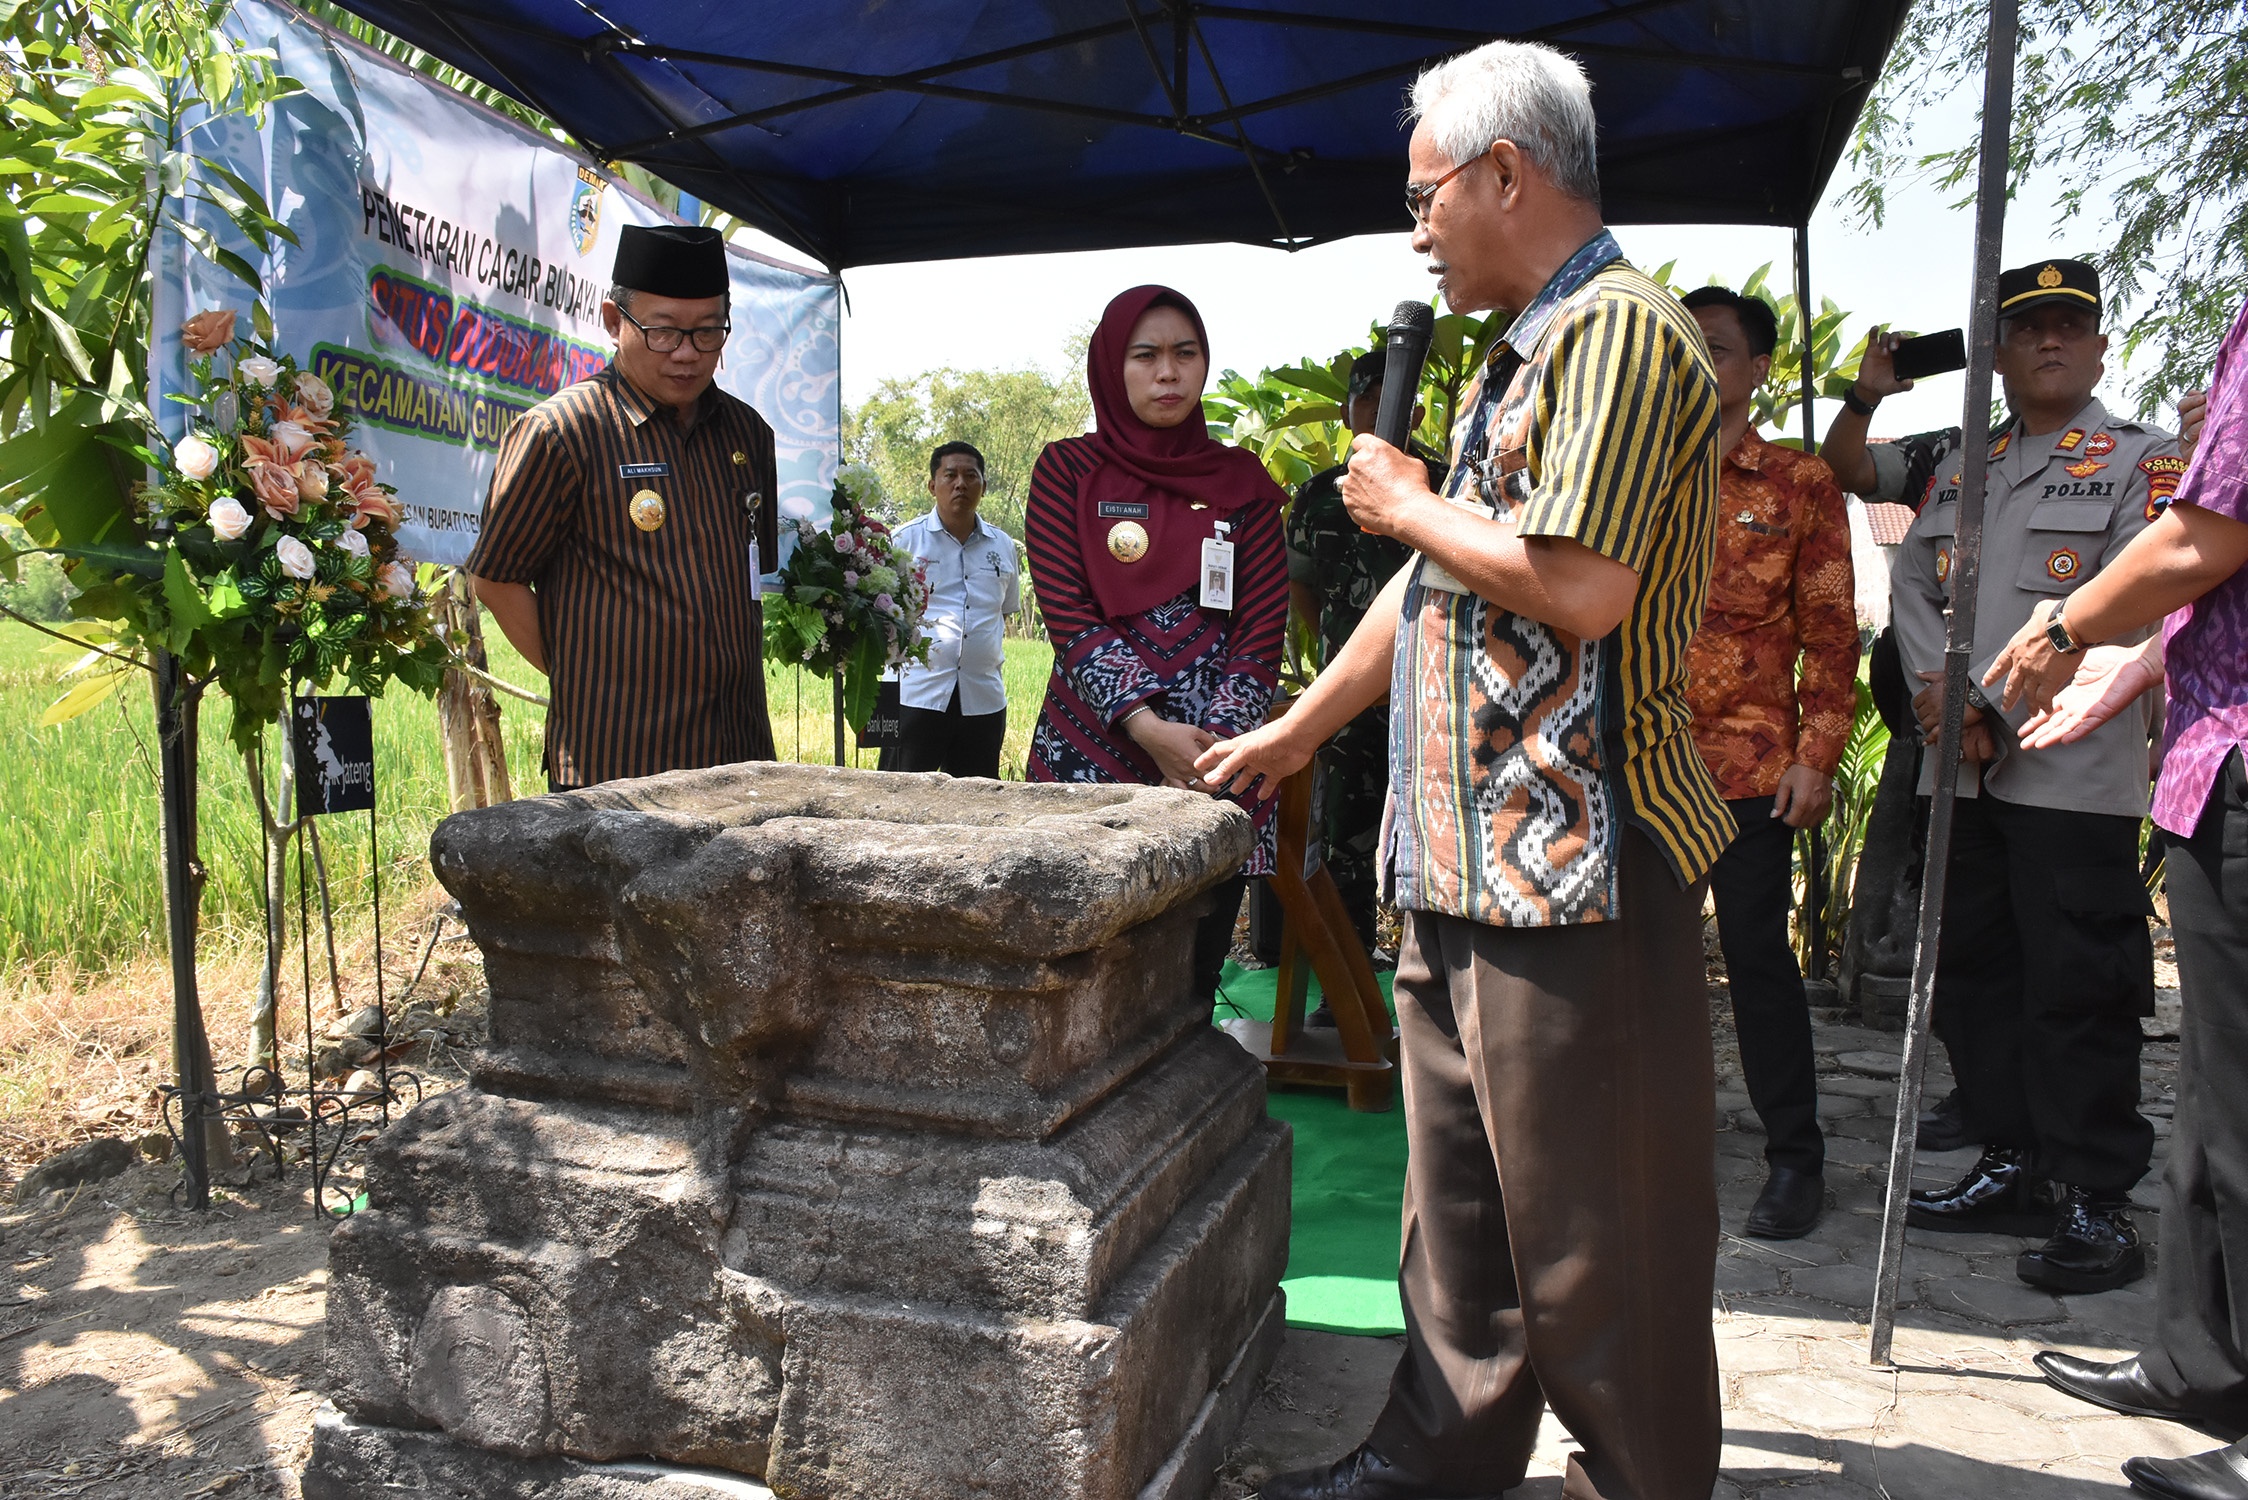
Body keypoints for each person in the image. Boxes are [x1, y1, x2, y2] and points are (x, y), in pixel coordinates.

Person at [1201, 40, 1729, 1500]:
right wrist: (1300, 731)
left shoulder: (1618, 333)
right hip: (1460, 860)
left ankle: (1648, 1478)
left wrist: (1411, 500)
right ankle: (1432, 1464)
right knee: (1462, 1229)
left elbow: (1578, 585)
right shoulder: (1528, 344)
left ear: (1509, 172)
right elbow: (1439, 588)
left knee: (1598, 1239)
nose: (1417, 226)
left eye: (1427, 194)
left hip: (1574, 870)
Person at [1821, 258, 2175, 1293]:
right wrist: (1941, 699)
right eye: (2029, 330)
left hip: (2069, 768)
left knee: (2079, 985)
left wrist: (1983, 711)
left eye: (2070, 325)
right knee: (1975, 975)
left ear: (2100, 344)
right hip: (1956, 773)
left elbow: (2130, 605)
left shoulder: (2141, 463)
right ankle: (2012, 1161)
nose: (2050, 342)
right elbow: (1913, 583)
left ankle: (2094, 1199)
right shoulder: (1952, 464)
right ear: (2002, 353)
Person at [1979, 305, 2248, 1498]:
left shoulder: (2132, 453)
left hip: (2216, 763)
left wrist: (2063, 627)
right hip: (2202, 754)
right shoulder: (1972, 459)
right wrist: (2128, 667)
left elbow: (2203, 538)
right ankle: (2197, 1365)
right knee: (2214, 1101)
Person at [1023, 284, 1289, 1004]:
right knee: (1076, 987)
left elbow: (1262, 632)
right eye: (1145, 356)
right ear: (1114, 366)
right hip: (1090, 760)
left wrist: (1211, 752)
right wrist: (1147, 726)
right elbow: (1069, 616)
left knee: (1189, 988)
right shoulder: (1067, 473)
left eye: (1185, 353)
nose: (1167, 373)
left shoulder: (1245, 486)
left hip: (1215, 771)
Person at [467, 222, 778, 790]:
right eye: (663, 332)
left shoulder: (747, 435)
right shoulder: (562, 432)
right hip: (617, 766)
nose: (687, 354)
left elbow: (754, 572)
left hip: (739, 759)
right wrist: (586, 681)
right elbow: (494, 578)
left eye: (709, 332)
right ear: (614, 322)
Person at [1680, 284, 1860, 1241]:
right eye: (1684, 345)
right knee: (1642, 966)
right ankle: (1651, 1147)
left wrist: (1818, 758)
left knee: (1757, 962)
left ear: (1756, 369)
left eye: (1715, 347)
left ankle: (1796, 1160)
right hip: (1638, 764)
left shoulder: (1801, 485)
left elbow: (1834, 636)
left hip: (1753, 768)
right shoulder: (1632, 473)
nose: (1699, 362)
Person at [1285, 350, 1447, 956]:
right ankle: (1349, 977)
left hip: (1426, 690)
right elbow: (1300, 586)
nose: (1378, 413)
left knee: (1432, 833)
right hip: (1346, 699)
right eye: (1366, 401)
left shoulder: (1443, 483)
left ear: (1420, 411)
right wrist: (1344, 649)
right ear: (1348, 409)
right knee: (1343, 836)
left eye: (1394, 401)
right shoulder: (1319, 496)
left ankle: (1427, 971)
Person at [888, 441, 1020, 779]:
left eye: (970, 476)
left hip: (983, 699)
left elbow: (1002, 613)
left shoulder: (1003, 546)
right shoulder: (903, 542)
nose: (960, 483)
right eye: (950, 475)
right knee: (898, 801)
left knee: (977, 805)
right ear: (933, 486)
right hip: (913, 696)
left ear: (984, 487)